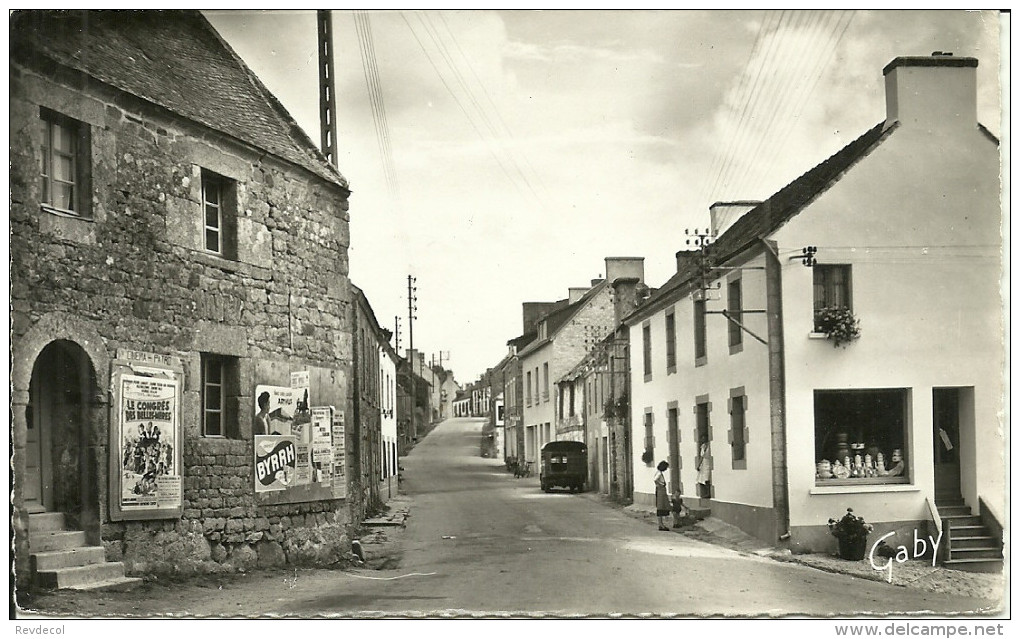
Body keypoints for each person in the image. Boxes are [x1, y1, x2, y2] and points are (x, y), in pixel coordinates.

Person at [654, 460, 670, 531]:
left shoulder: (658, 472)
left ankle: (661, 524)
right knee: (660, 507)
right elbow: (655, 479)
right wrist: (660, 484)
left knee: (661, 507)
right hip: (661, 491)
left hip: (660, 490)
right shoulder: (659, 473)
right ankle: (661, 524)